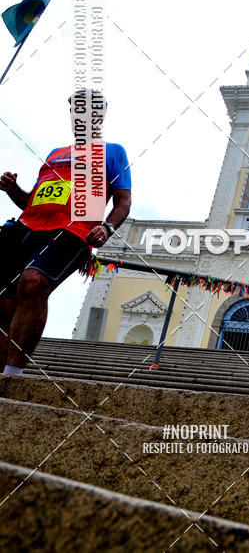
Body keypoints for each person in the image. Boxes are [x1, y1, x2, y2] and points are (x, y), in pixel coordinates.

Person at [0, 89, 131, 376]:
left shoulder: (113, 151)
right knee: (5, 302)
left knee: (33, 284)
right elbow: (33, 201)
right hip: (26, 228)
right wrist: (13, 191)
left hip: (73, 231)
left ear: (100, 116)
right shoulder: (55, 154)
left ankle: (13, 376)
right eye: (76, 109)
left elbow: (123, 200)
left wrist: (107, 227)